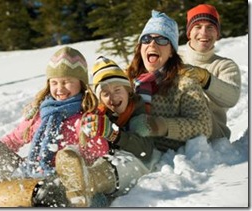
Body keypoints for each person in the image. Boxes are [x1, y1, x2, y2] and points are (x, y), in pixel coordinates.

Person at [0, 46, 110, 207]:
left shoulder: (86, 118)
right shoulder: (40, 115)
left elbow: (99, 154)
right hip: (29, 172)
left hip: (60, 183)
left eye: (67, 82)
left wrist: (91, 135)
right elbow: (14, 139)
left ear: (81, 84)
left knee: (47, 192)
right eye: (54, 82)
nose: (60, 88)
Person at [55, 56, 158, 207]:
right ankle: (73, 177)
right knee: (81, 152)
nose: (113, 97)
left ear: (128, 91)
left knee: (123, 161)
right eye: (105, 93)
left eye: (117, 90)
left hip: (135, 164)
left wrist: (113, 134)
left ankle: (87, 182)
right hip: (105, 166)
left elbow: (145, 150)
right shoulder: (101, 114)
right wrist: (87, 134)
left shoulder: (139, 112)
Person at [125, 10, 212, 152]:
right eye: (146, 39)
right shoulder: (126, 81)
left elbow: (204, 126)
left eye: (162, 40)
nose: (152, 44)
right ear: (140, 47)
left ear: (171, 51)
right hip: (128, 149)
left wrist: (160, 126)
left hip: (165, 162)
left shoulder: (185, 85)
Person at [178, 4, 241, 140]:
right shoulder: (175, 59)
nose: (204, 33)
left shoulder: (225, 66)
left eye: (210, 27)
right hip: (176, 129)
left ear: (217, 34)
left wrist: (206, 79)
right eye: (198, 27)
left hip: (213, 135)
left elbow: (232, 98)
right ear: (189, 33)